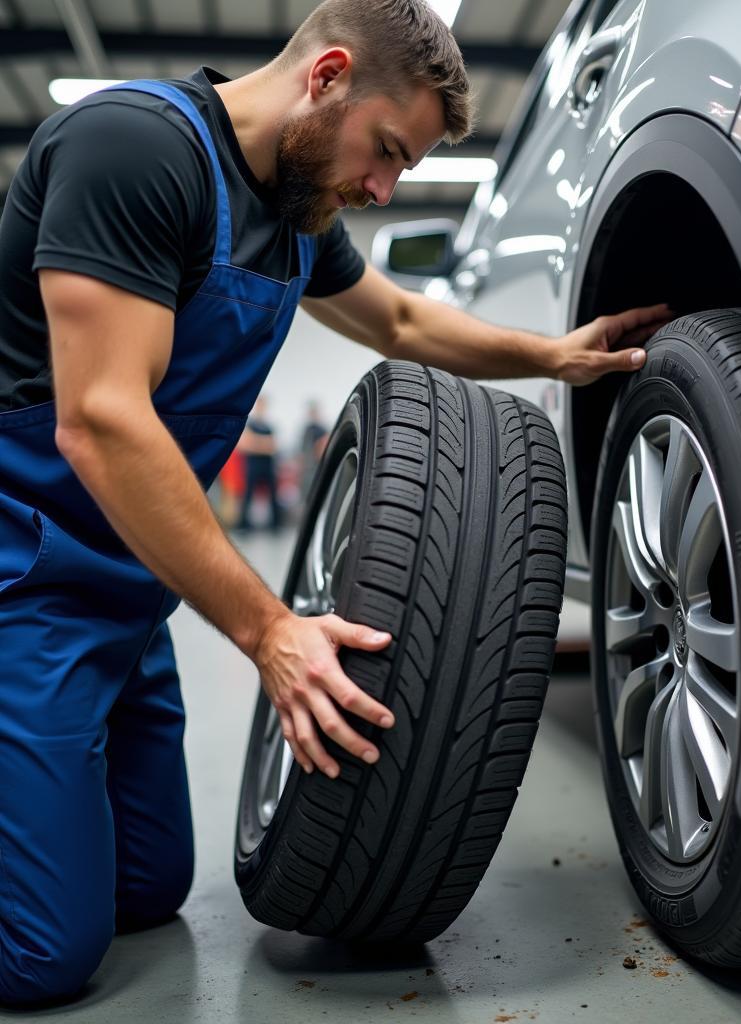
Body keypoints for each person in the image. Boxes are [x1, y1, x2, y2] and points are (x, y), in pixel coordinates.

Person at [0, 0, 673, 1005]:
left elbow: (400, 319)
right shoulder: (134, 152)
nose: (383, 186)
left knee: (148, 890)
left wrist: (554, 357)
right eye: (389, 150)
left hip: (132, 594)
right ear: (327, 76)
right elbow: (100, 422)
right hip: (28, 574)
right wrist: (271, 631)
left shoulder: (295, 215)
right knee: (44, 958)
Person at [235, 395, 283, 531]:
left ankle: (275, 524)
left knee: (274, 494)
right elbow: (244, 445)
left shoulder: (269, 426)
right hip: (253, 465)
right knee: (248, 494)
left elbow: (273, 446)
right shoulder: (250, 424)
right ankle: (243, 523)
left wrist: (256, 442)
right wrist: (264, 444)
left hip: (267, 465)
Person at [299, 398, 330, 499]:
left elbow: (323, 447)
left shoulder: (322, 430)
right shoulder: (307, 429)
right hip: (307, 469)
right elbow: (302, 451)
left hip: (317, 467)